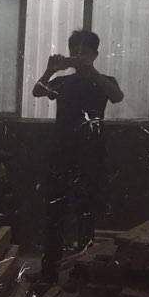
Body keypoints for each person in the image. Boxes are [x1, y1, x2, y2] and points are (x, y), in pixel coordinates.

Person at [32, 30, 124, 282]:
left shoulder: (104, 80)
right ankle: (49, 272)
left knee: (86, 214)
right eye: (75, 51)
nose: (79, 55)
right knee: (54, 213)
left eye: (85, 51)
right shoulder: (63, 82)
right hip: (61, 154)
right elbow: (37, 92)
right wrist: (50, 70)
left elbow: (117, 96)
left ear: (95, 54)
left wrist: (91, 71)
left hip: (91, 155)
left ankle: (82, 274)